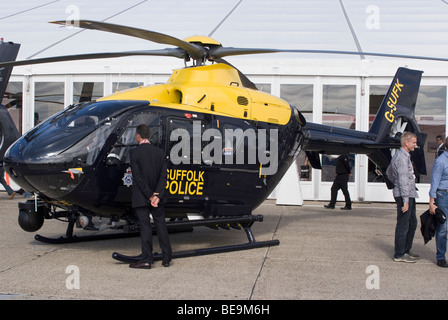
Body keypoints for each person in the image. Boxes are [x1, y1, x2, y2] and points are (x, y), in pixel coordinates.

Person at [129, 124, 172, 269]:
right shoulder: (160, 153)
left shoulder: (134, 153)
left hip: (142, 197)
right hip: (157, 198)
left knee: (145, 226)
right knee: (161, 225)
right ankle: (166, 258)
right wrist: (157, 195)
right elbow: (164, 177)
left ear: (138, 136)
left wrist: (149, 195)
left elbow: (138, 177)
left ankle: (147, 259)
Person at [385, 132, 419, 263]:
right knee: (403, 225)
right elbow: (403, 180)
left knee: (412, 223)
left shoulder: (402, 156)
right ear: (406, 143)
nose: (415, 145)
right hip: (405, 196)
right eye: (414, 143)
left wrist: (397, 183)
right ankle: (399, 254)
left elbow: (389, 172)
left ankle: (406, 249)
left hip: (409, 194)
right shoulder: (402, 158)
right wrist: (405, 200)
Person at [429, 136, 448, 267]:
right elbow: (434, 182)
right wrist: (431, 202)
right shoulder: (440, 161)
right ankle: (441, 257)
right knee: (443, 228)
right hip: (443, 195)